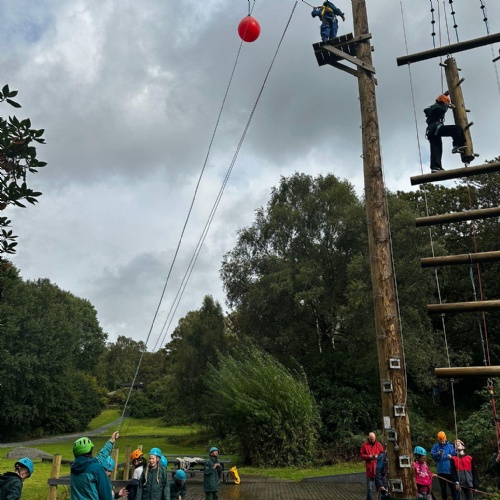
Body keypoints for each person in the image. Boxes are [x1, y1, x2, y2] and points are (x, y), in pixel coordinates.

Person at [424, 93, 467, 173]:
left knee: (436, 149)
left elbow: (436, 108)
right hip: (435, 128)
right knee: (456, 129)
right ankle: (457, 145)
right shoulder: (437, 107)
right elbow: (442, 109)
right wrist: (448, 105)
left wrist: (446, 103)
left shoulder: (433, 108)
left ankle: (435, 167)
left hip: (432, 132)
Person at [431, 431, 457, 500]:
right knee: (443, 489)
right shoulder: (435, 447)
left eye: (443, 440)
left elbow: (456, 455)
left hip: (450, 471)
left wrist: (451, 456)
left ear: (445, 438)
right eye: (441, 441)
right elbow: (433, 455)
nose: (442, 442)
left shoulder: (451, 446)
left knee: (453, 489)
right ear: (438, 439)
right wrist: (438, 453)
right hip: (441, 471)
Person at [360, 432, 384, 500]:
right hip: (370, 470)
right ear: (369, 439)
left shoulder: (378, 444)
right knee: (369, 488)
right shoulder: (365, 446)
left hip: (378, 469)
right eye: (372, 440)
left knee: (379, 487)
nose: (373, 441)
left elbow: (382, 453)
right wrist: (369, 457)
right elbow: (361, 455)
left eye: (374, 439)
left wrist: (378, 456)